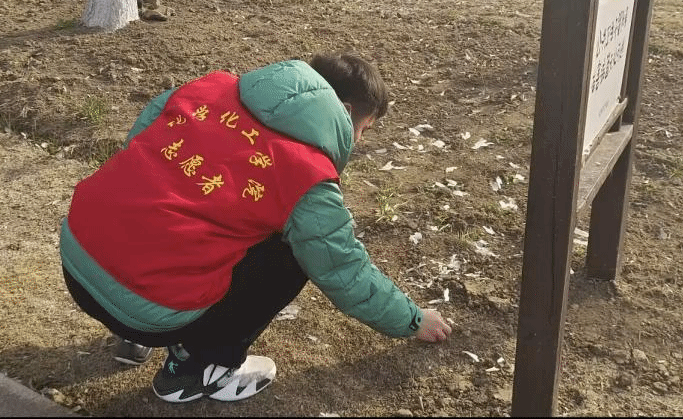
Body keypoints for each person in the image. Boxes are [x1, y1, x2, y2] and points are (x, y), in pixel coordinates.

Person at [60, 52, 451, 404]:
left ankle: (131, 335)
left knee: (170, 200)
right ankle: (199, 370)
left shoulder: (208, 88)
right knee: (293, 253)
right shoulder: (306, 174)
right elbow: (343, 271)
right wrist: (413, 320)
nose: (358, 141)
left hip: (78, 260)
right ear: (345, 112)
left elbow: (138, 145)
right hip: (148, 310)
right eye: (364, 129)